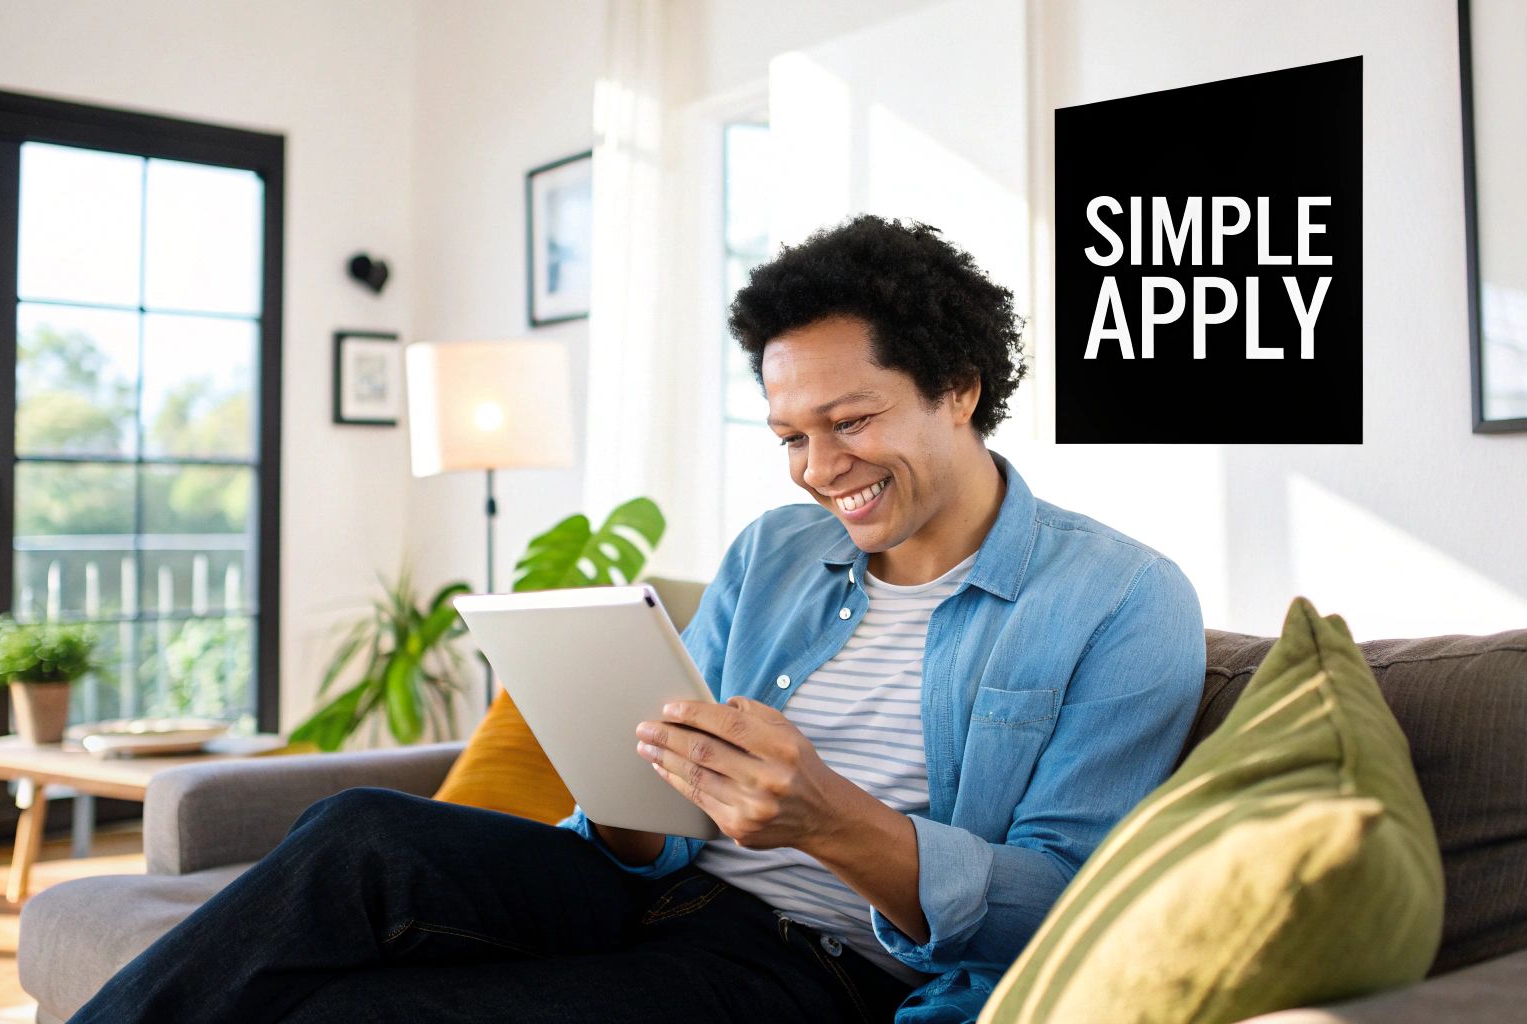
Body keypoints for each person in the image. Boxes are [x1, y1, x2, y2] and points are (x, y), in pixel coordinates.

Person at [67, 215, 1206, 1024]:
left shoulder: (1119, 599)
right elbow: (656, 827)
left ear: (958, 387)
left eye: (850, 421)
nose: (820, 468)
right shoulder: (776, 550)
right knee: (359, 830)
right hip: (647, 891)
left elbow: (1062, 902)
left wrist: (828, 819)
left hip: (822, 970)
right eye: (791, 436)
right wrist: (632, 784)